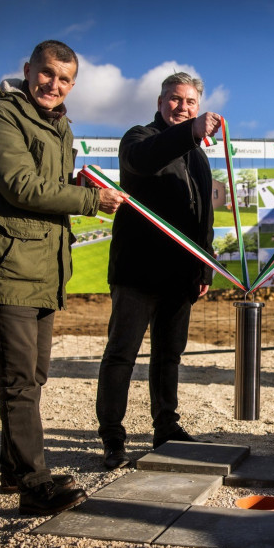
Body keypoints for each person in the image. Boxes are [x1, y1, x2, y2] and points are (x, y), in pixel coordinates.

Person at [0, 40, 127, 516]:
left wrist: (80, 186)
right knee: (19, 380)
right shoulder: (0, 116)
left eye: (63, 79)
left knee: (33, 376)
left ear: (72, 85)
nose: (53, 85)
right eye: (46, 74)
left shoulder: (59, 125)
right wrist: (88, 202)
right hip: (12, 261)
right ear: (28, 70)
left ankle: (14, 470)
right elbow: (20, 187)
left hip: (44, 266)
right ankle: (34, 486)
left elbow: (48, 187)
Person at [95, 73, 220, 470]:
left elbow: (204, 217)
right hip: (137, 273)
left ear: (197, 107)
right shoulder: (138, 137)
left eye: (189, 102)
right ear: (161, 100)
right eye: (174, 99)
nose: (181, 107)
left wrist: (204, 267)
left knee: (169, 356)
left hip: (181, 276)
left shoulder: (198, 156)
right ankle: (113, 438)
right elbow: (145, 160)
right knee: (121, 355)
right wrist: (190, 133)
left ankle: (166, 426)